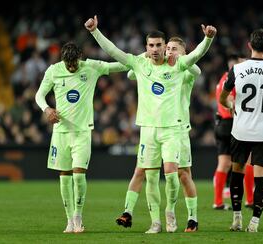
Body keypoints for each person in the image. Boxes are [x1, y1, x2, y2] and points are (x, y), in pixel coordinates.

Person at [85, 15, 216, 233]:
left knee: (173, 174)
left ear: (165, 47)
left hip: (173, 129)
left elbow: (196, 57)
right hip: (147, 130)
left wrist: (208, 39)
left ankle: (170, 211)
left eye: (159, 45)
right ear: (146, 47)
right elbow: (114, 51)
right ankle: (155, 222)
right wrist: (94, 32)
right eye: (151, 45)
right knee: (151, 177)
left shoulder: (178, 65)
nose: (155, 49)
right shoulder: (139, 63)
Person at [35, 42, 129, 233]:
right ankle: (69, 220)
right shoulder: (53, 71)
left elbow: (118, 65)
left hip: (82, 132)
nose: (71, 67)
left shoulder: (91, 67)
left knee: (78, 175)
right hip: (61, 133)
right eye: (68, 64)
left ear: (80, 58)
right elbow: (39, 95)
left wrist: (138, 59)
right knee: (64, 177)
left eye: (74, 63)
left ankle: (78, 217)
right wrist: (47, 109)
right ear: (63, 60)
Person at [118, 37, 201, 233]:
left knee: (183, 175)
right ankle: (144, 216)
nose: (170, 51)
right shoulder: (160, 66)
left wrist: (180, 59)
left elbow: (197, 70)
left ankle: (192, 217)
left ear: (183, 52)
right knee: (146, 172)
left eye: (175, 49)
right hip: (155, 127)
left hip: (178, 129)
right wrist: (145, 56)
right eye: (168, 48)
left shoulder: (185, 70)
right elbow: (132, 73)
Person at [220, 28, 263, 232]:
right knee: (260, 178)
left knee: (237, 174)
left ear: (249, 46)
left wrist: (230, 104)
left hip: (240, 131)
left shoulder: (237, 69)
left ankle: (236, 218)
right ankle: (255, 223)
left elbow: (223, 97)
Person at [213, 53, 251, 210]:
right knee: (247, 161)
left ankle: (218, 202)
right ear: (234, 65)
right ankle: (250, 199)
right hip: (232, 123)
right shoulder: (234, 79)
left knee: (223, 164)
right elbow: (233, 102)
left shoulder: (222, 79)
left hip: (221, 124)